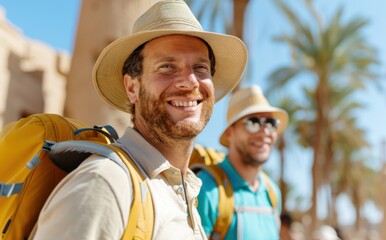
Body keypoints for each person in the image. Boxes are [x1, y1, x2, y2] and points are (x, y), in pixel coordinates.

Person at [30, 0, 247, 239]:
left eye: (200, 67)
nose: (191, 81)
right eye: (167, 66)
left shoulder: (186, 190)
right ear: (132, 87)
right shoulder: (104, 185)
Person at [197, 85, 288, 240]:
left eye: (271, 123)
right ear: (230, 133)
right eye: (253, 122)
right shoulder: (206, 189)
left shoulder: (272, 192)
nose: (265, 132)